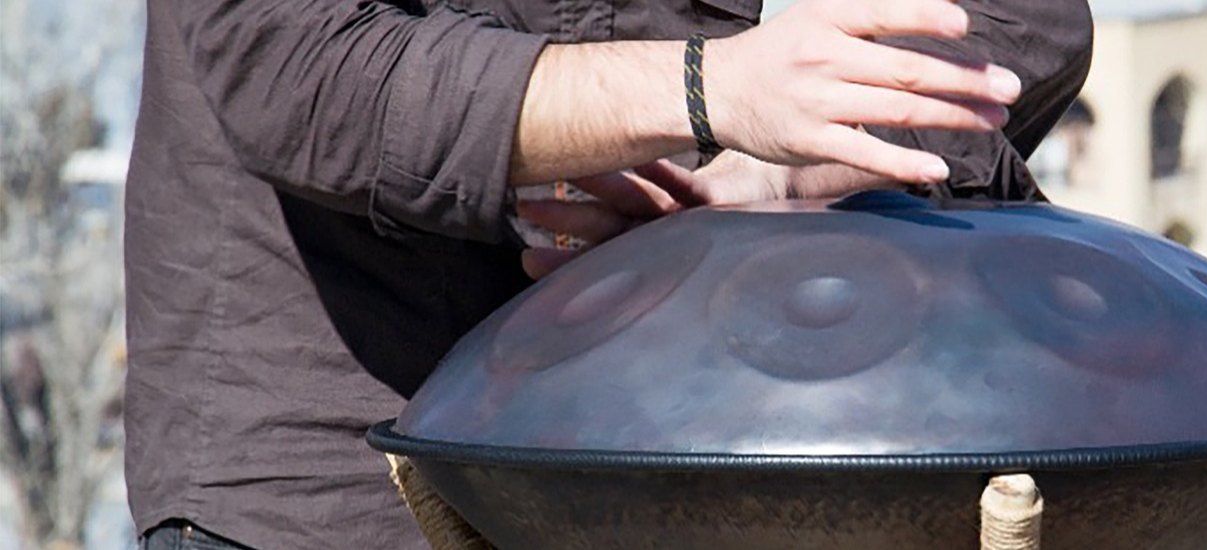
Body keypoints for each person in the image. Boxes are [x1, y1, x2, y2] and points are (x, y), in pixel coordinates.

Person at [122, 0, 1093, 547]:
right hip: (353, 478)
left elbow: (1022, 16)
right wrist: (705, 94)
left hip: (712, 471)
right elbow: (297, 66)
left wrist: (778, 160)